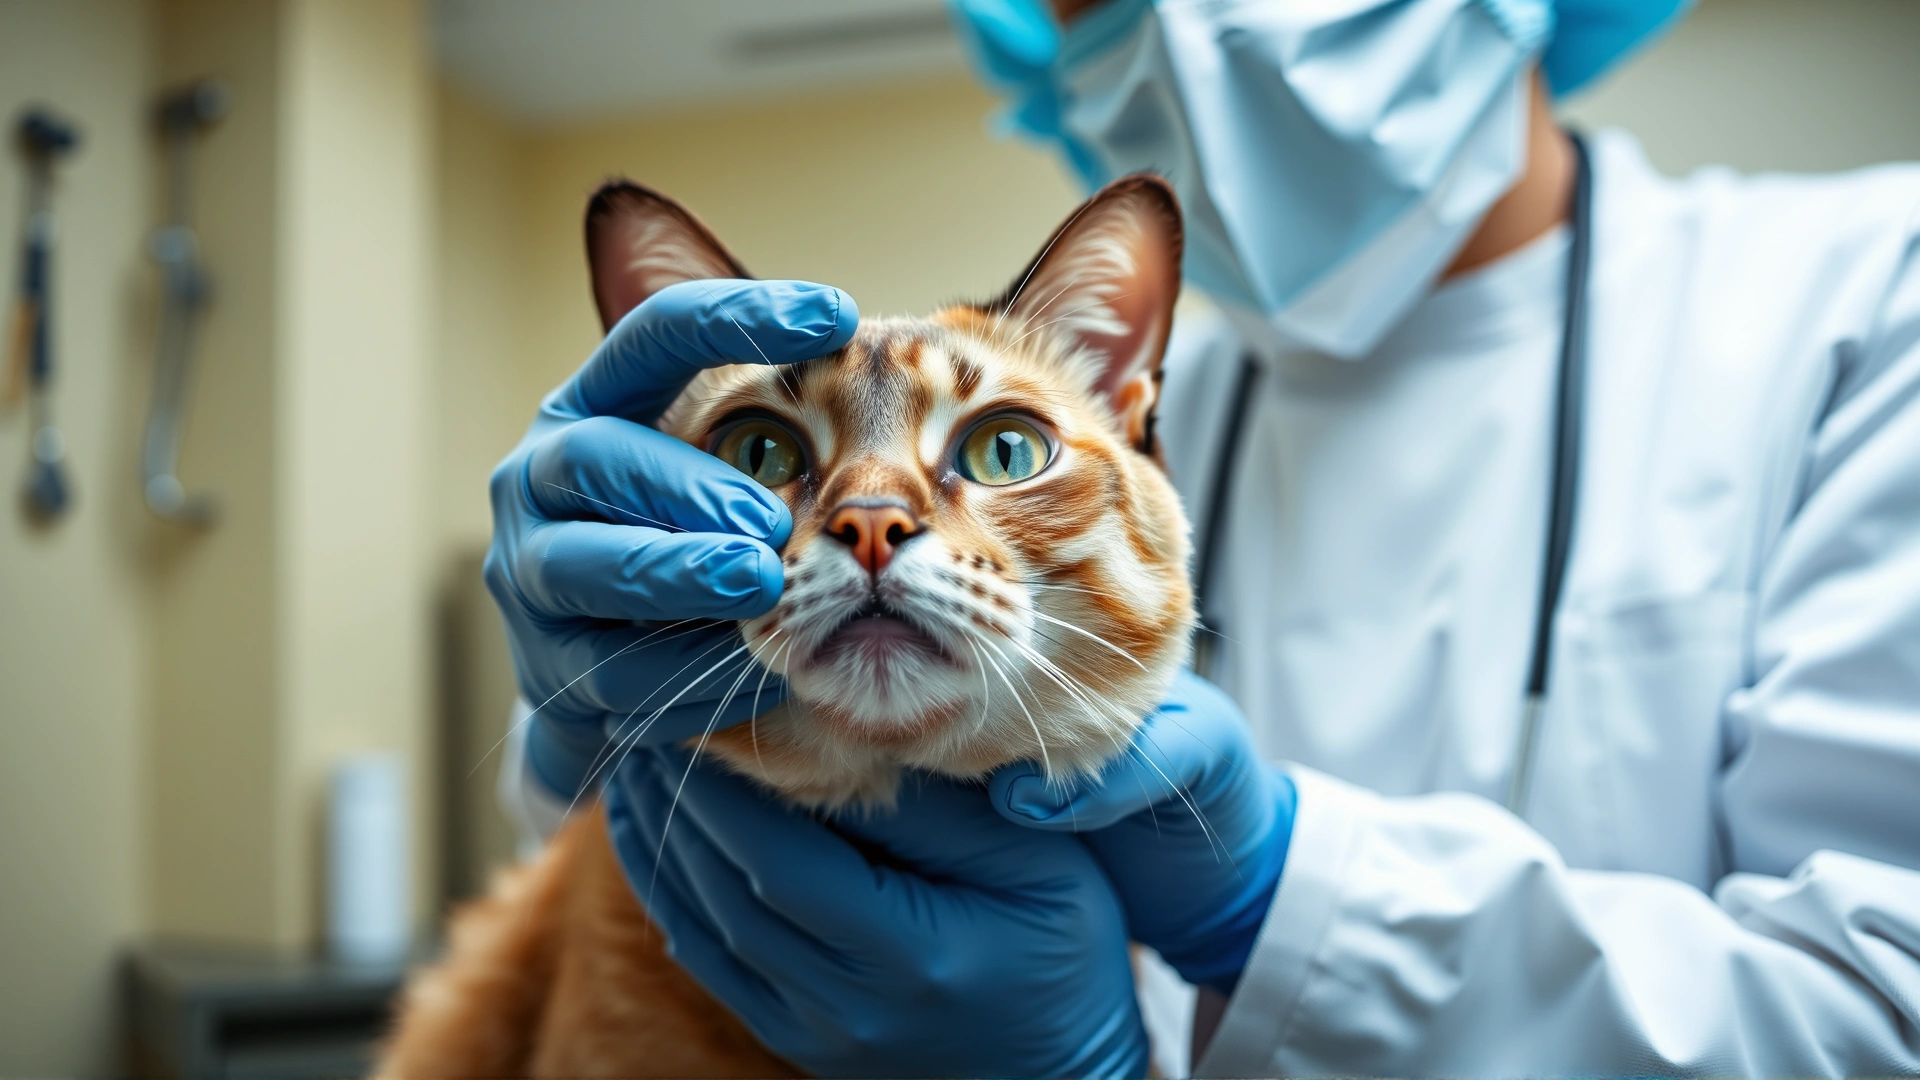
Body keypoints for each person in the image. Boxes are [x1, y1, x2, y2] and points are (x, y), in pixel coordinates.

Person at [483, 0, 1920, 1074]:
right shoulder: (1107, 411)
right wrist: (587, 736)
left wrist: (1279, 900)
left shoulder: (1868, 302)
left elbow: (1885, 1011)